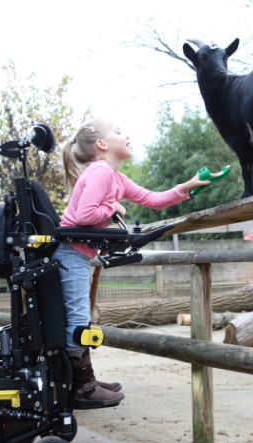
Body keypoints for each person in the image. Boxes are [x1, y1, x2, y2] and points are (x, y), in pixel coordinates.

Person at [56, 118, 210, 408]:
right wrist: (113, 207)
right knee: (78, 319)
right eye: (117, 132)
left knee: (80, 317)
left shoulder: (115, 176)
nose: (126, 135)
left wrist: (187, 186)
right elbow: (84, 217)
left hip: (77, 255)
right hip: (70, 254)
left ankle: (81, 379)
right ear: (102, 145)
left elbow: (153, 199)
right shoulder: (101, 171)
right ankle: (83, 386)